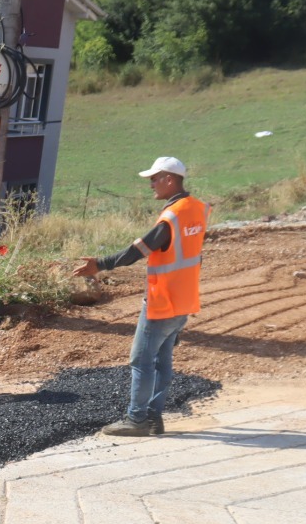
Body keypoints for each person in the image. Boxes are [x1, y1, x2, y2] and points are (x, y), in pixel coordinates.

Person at [71, 156, 208, 437]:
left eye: (154, 179)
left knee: (141, 360)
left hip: (162, 300)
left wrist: (101, 263)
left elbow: (139, 250)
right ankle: (154, 418)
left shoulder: (172, 216)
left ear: (170, 179)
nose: (151, 186)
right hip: (184, 299)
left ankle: (137, 419)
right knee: (162, 360)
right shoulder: (198, 209)